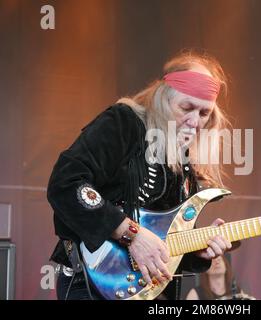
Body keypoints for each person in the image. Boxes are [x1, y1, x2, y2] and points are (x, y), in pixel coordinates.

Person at [47, 50, 233, 300]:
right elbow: (66, 183)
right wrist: (130, 233)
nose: (194, 121)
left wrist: (198, 249)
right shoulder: (123, 123)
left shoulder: (183, 161)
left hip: (150, 289)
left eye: (204, 113)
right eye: (186, 108)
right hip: (93, 284)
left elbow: (165, 239)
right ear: (162, 98)